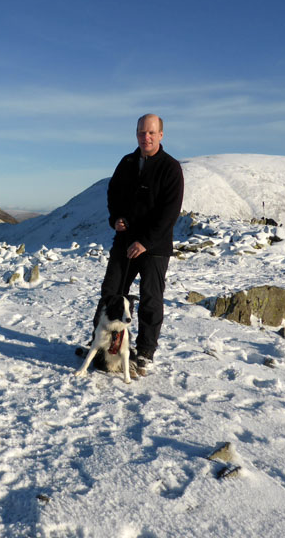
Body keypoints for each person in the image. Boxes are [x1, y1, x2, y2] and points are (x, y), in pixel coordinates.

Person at [93, 113, 184, 375]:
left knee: (150, 300)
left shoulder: (170, 167)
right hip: (125, 240)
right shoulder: (127, 162)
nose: (146, 137)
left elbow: (170, 212)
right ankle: (101, 344)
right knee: (111, 291)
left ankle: (144, 353)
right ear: (136, 134)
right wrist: (115, 219)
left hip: (154, 247)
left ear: (161, 135)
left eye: (152, 133)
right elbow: (113, 193)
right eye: (142, 132)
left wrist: (145, 242)